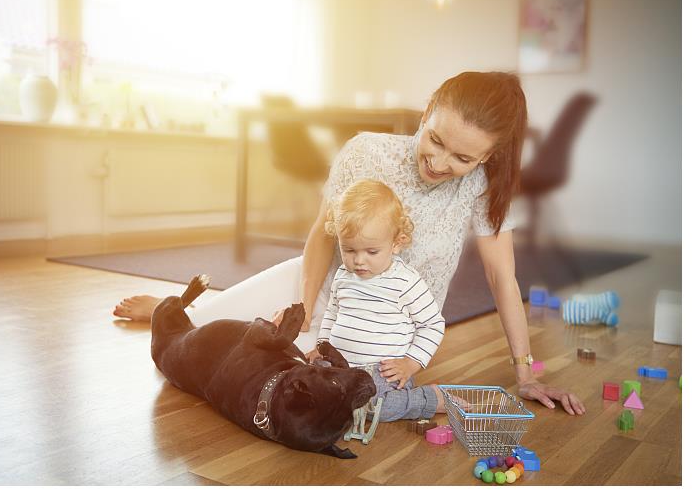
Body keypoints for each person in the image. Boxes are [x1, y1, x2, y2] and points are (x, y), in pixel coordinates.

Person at [114, 71, 586, 416]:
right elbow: (322, 236)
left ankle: (202, 311)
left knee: (272, 379)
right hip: (326, 294)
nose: (440, 163)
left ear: (488, 156)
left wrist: (525, 373)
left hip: (383, 337)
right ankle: (179, 308)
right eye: (435, 139)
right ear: (426, 113)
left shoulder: (482, 187)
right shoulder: (366, 152)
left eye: (462, 157)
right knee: (196, 340)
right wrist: (302, 311)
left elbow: (501, 276)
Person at [314, 179, 445, 421]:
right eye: (349, 250)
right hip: (338, 365)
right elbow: (333, 311)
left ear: (396, 243)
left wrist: (410, 363)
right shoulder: (344, 274)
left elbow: (432, 325)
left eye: (371, 252)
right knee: (310, 390)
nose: (359, 261)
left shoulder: (405, 281)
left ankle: (428, 398)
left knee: (375, 408)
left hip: (381, 372)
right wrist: (323, 345)